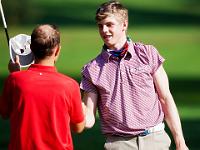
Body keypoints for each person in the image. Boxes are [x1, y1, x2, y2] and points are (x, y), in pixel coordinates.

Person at [80, 1, 188, 150]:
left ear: (124, 25)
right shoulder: (92, 70)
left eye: (109, 24)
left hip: (155, 140)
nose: (104, 30)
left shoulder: (147, 54)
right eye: (100, 26)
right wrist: (69, 104)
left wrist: (180, 142)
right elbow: (89, 120)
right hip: (118, 144)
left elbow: (165, 98)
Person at [0, 24, 85, 150]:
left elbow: (4, 113)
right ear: (57, 50)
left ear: (31, 48)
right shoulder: (70, 85)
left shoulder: (14, 80)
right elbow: (78, 127)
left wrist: (15, 75)